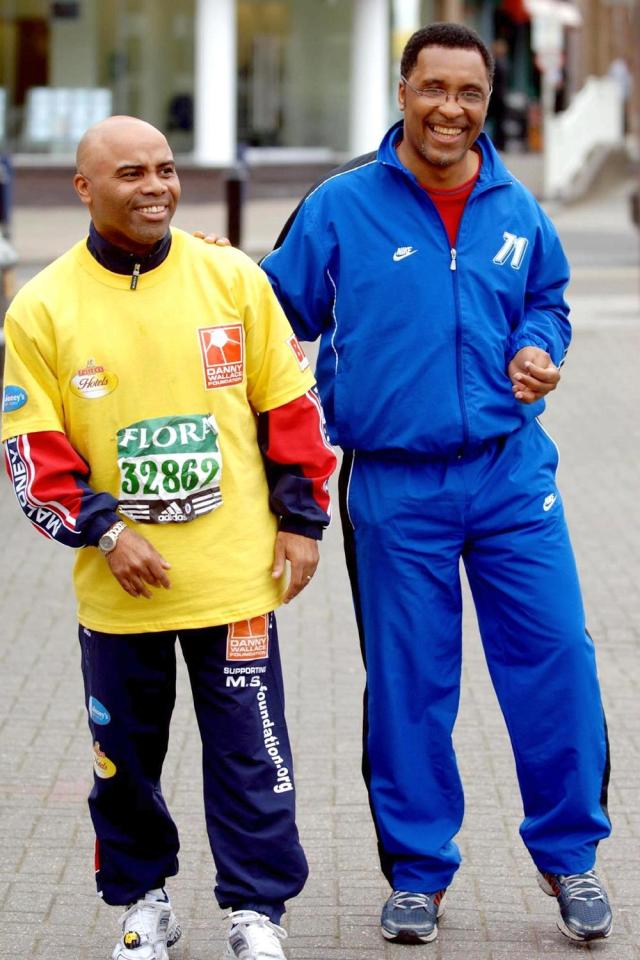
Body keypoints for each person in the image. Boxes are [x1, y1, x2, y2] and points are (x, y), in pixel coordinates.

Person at [260, 21, 613, 947]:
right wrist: (206, 270)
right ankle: (418, 874)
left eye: (469, 93)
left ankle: (571, 859)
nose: (450, 109)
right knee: (411, 684)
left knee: (559, 662)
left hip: (511, 476)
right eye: (433, 89)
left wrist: (543, 346)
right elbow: (270, 311)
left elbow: (548, 296)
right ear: (403, 90)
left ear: (487, 101)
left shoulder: (516, 207)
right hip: (393, 486)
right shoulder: (341, 206)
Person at [1, 115, 336, 960]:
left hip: (234, 583)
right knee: (124, 762)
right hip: (121, 596)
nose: (154, 185)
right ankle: (143, 901)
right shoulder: (41, 308)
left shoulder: (231, 278)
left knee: (253, 758)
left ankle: (257, 912)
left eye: (166, 168)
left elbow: (289, 407)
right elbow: (33, 451)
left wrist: (301, 521)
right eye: (129, 173)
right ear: (84, 188)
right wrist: (107, 531)